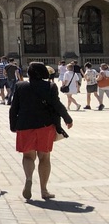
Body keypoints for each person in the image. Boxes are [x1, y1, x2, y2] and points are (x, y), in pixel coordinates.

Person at [9, 62, 72, 200]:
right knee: (44, 157)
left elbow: (14, 108)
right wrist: (67, 118)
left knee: (28, 157)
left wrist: (13, 125)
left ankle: (29, 179)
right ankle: (44, 190)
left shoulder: (20, 86)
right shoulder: (50, 86)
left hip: (25, 125)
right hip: (45, 126)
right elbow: (57, 105)